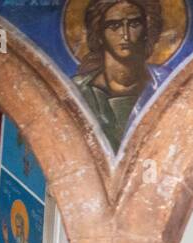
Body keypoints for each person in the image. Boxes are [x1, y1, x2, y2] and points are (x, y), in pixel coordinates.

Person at [72, 0, 169, 152]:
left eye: (134, 24)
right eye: (114, 26)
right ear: (99, 34)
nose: (125, 35)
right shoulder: (76, 91)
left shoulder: (167, 83)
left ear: (147, 30)